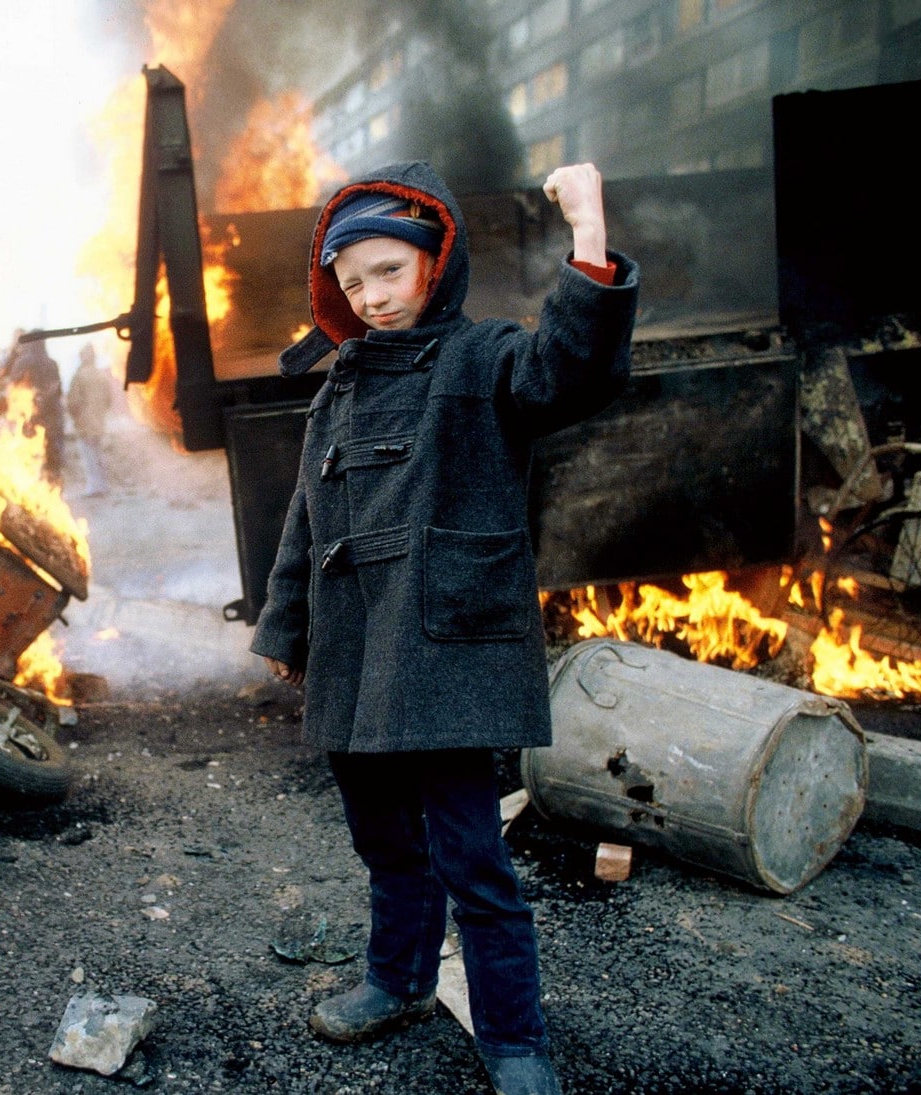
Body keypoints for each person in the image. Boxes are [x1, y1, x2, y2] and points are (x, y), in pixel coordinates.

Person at [249, 160, 638, 1095]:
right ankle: (397, 981)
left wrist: (587, 222)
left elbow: (571, 372)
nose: (373, 297)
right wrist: (284, 632)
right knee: (386, 843)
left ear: (435, 262)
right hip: (355, 652)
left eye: (390, 271)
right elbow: (305, 520)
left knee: (474, 859)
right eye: (353, 282)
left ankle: (513, 1037)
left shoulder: (486, 358)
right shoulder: (334, 387)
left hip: (444, 647)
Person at [0, 328, 65, 487]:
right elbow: (57, 392)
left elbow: (12, 391)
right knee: (50, 460)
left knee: (27, 459)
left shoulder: (23, 362)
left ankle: (34, 493)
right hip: (51, 419)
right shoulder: (51, 364)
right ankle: (50, 490)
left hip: (29, 419)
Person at [64, 342, 114, 497]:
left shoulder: (79, 376)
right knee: (98, 454)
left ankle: (94, 487)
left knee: (89, 456)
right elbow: (108, 400)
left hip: (85, 422)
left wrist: (75, 417)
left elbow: (73, 401)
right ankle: (103, 486)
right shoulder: (102, 375)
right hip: (99, 421)